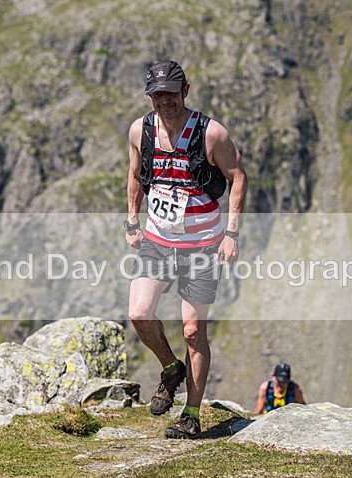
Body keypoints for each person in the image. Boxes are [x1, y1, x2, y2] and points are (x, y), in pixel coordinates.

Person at [125, 60, 248, 439]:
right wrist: (132, 219)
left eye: (171, 93)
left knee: (193, 331)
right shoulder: (139, 131)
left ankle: (191, 414)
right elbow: (134, 175)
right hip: (157, 240)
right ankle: (170, 367)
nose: (164, 101)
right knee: (139, 313)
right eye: (157, 94)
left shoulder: (212, 134)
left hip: (201, 245)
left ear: (185, 91)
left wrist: (231, 234)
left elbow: (238, 177)